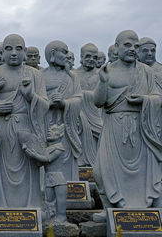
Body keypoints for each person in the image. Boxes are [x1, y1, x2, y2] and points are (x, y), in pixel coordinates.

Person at [93, 30, 162, 221]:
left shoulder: (146, 72)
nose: (132, 49)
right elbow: (98, 102)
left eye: (136, 46)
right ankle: (108, 209)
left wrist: (144, 100)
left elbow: (157, 97)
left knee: (148, 171)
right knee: (100, 170)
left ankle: (147, 211)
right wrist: (103, 82)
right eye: (127, 45)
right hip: (114, 126)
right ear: (116, 47)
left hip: (140, 128)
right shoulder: (108, 71)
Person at [0, 34, 48, 207]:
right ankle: (1, 207)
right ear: (2, 52)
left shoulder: (35, 75)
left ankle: (31, 207)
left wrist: (31, 96)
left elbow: (45, 104)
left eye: (18, 49)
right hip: (1, 129)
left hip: (26, 129)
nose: (13, 53)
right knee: (0, 170)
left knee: (28, 169)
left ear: (25, 52)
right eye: (8, 49)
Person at [42, 40, 82, 181]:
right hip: (46, 123)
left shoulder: (71, 77)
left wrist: (64, 103)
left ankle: (69, 185)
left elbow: (78, 99)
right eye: (64, 52)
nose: (66, 56)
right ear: (53, 54)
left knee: (65, 154)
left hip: (65, 125)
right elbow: (34, 101)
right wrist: (48, 102)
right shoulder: (40, 76)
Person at [73, 43, 102, 166]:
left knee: (100, 140)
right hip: (78, 116)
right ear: (81, 57)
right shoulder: (73, 74)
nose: (91, 59)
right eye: (88, 56)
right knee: (79, 140)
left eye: (94, 57)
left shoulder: (101, 75)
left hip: (97, 115)